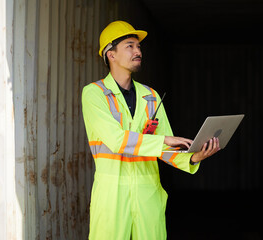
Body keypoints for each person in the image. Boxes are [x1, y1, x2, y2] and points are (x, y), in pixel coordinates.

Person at [82, 20, 220, 240]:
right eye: (130, 46)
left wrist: (193, 158)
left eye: (139, 47)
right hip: (112, 196)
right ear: (111, 54)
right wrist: (164, 139)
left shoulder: (151, 96)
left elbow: (166, 148)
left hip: (148, 193)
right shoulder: (94, 94)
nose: (138, 51)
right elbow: (117, 140)